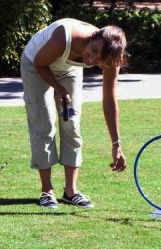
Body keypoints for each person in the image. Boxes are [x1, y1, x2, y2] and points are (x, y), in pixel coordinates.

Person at [20, 18, 127, 209]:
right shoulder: (65, 36)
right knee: (44, 124)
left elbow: (110, 99)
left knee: (72, 123)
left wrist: (116, 144)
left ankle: (71, 192)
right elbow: (40, 63)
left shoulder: (112, 59)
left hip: (69, 69)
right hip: (36, 63)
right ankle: (47, 191)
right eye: (93, 50)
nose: (91, 59)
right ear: (93, 36)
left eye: (98, 58)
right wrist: (58, 89)